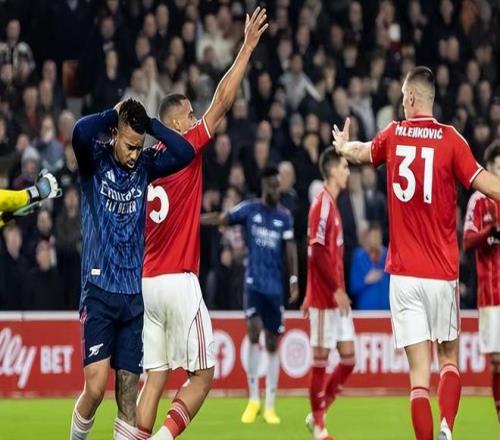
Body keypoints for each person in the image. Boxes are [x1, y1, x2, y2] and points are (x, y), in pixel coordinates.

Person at [332, 66, 500, 440]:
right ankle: (446, 427)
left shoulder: (393, 134)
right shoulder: (451, 140)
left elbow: (360, 152)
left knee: (418, 379)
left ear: (410, 98)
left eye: (402, 97)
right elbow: (487, 184)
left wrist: (343, 146)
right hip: (441, 272)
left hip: (404, 276)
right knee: (449, 359)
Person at [135, 8, 269, 440]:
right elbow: (223, 101)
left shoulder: (143, 164)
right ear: (174, 123)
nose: (195, 119)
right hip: (178, 279)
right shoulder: (186, 146)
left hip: (147, 282)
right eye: (189, 114)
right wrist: (246, 47)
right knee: (203, 376)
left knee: (155, 379)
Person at [69, 98, 195, 440]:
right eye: (129, 146)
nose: (134, 154)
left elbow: (185, 153)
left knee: (127, 391)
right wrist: (114, 113)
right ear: (114, 134)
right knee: (96, 388)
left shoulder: (145, 166)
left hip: (132, 297)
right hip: (98, 291)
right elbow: (79, 132)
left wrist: (150, 123)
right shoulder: (93, 161)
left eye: (140, 147)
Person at [202, 166, 299, 424]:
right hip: (253, 284)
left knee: (272, 342)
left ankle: (270, 405)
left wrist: (293, 278)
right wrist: (194, 219)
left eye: (277, 185)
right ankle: (254, 398)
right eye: (271, 185)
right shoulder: (250, 209)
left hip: (275, 288)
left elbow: (290, 248)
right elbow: (223, 218)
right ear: (263, 187)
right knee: (254, 332)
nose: (275, 189)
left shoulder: (284, 216)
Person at [301, 148, 355, 440]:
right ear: (332, 170)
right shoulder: (321, 204)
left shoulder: (332, 205)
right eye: (344, 166)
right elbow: (317, 251)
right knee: (321, 357)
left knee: (349, 359)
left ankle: (317, 413)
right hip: (326, 298)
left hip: (336, 296)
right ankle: (320, 427)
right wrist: (333, 289)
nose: (347, 171)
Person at [463, 142, 500, 422]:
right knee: (497, 362)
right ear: (489, 168)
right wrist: (490, 232)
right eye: (498, 167)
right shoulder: (478, 200)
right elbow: (467, 240)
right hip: (491, 294)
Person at [349, 222, 390, 310]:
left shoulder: (387, 256)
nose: (375, 241)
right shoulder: (358, 257)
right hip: (365, 311)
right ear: (367, 238)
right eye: (373, 237)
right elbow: (352, 287)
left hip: (385, 311)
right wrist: (366, 281)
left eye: (378, 237)